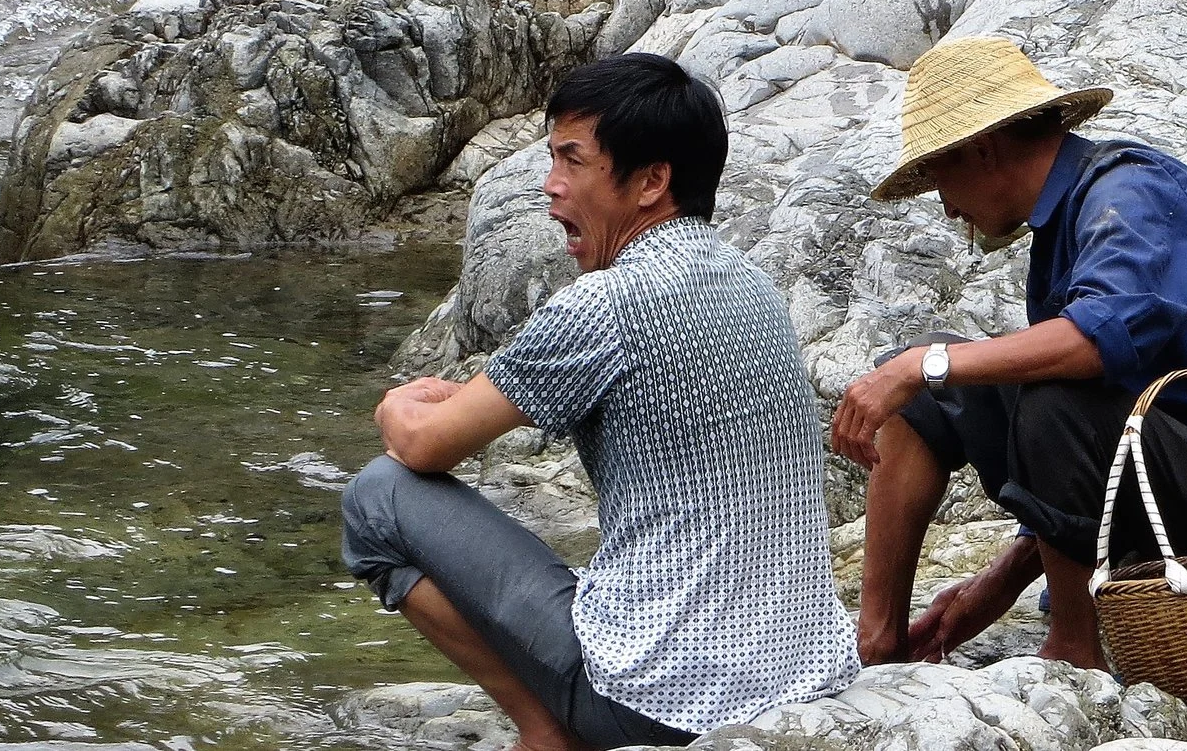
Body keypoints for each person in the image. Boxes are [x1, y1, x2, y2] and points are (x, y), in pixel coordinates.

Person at [340, 53, 857, 751]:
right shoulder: (753, 284)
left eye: (572, 161)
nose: (550, 187)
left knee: (376, 496)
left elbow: (424, 445)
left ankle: (545, 731)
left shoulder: (605, 304)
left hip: (656, 700)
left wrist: (398, 404)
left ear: (651, 181)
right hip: (801, 678)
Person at [831, 37, 1187, 671]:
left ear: (985, 149)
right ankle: (877, 640)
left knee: (1024, 386)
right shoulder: (1069, 217)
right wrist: (1000, 578)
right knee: (930, 397)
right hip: (1172, 481)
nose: (945, 203)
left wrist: (923, 365)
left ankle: (1076, 650)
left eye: (941, 174)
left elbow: (1098, 345)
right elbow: (1087, 454)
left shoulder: (1131, 192)